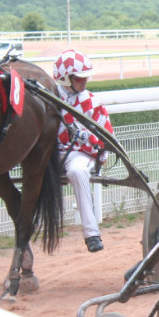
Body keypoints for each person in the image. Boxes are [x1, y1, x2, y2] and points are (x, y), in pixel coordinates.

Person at [53, 49, 112, 253]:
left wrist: (87, 139)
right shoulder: (49, 99)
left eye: (86, 77)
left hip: (79, 156)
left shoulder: (93, 103)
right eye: (79, 78)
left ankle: (91, 233)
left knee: (77, 172)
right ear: (65, 79)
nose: (84, 82)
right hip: (50, 154)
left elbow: (106, 140)